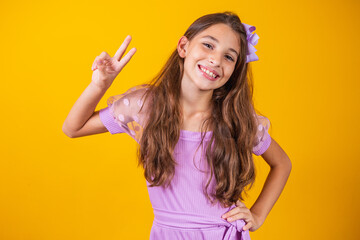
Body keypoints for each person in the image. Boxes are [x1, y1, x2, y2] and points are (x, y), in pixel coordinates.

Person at [62, 11, 292, 240]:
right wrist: (100, 84)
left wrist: (258, 215)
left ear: (234, 70)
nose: (216, 60)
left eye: (229, 57)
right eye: (208, 45)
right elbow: (73, 128)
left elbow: (282, 163)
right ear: (183, 46)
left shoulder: (237, 118)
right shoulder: (145, 106)